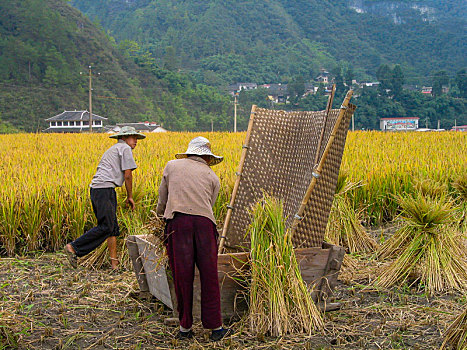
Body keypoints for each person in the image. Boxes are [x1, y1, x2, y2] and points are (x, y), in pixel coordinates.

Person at [156, 136, 231, 341]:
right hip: (205, 226)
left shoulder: (171, 166)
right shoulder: (212, 176)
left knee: (182, 275)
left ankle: (185, 328)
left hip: (178, 225)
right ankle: (216, 328)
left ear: (189, 153)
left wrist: (160, 216)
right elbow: (209, 205)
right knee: (209, 276)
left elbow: (163, 199)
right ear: (207, 157)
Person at [64, 126, 145, 270]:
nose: (136, 141)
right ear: (124, 138)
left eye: (137, 138)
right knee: (106, 226)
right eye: (133, 138)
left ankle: (114, 264)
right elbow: (128, 174)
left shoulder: (114, 150)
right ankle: (74, 247)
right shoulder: (125, 149)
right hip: (104, 189)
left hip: (101, 190)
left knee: (112, 228)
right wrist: (130, 196)